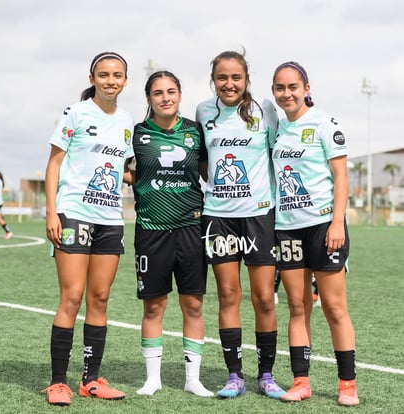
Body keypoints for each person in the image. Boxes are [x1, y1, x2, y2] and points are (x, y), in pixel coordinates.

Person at [42, 51, 134, 406]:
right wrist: (52, 212)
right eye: (104, 74)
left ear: (125, 81)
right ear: (92, 77)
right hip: (73, 214)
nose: (111, 80)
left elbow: (120, 170)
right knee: (72, 296)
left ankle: (90, 380)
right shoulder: (76, 113)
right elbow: (54, 164)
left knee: (100, 298)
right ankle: (57, 382)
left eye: (117, 75)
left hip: (110, 219)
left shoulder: (127, 120)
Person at [196, 50, 284, 400]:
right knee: (228, 295)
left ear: (247, 78)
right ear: (213, 80)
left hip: (259, 215)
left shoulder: (264, 109)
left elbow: (278, 155)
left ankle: (266, 375)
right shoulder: (204, 112)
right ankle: (234, 375)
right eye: (222, 77)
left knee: (264, 297)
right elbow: (203, 161)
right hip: (219, 217)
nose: (229, 84)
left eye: (236, 77)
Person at [271, 61, 359, 406]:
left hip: (324, 226)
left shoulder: (324, 123)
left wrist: (337, 222)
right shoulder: (277, 129)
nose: (286, 93)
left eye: (293, 86)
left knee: (335, 307)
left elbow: (341, 177)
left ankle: (347, 385)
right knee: (297, 305)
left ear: (306, 88)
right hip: (287, 228)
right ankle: (301, 381)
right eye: (280, 87)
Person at [131, 70, 213, 397]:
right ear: (149, 99)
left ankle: (193, 379)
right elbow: (122, 168)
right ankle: (153, 378)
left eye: (171, 91)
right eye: (158, 93)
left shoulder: (195, 131)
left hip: (191, 228)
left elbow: (210, 170)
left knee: (193, 305)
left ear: (180, 94)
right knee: (153, 307)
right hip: (151, 230)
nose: (166, 97)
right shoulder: (136, 133)